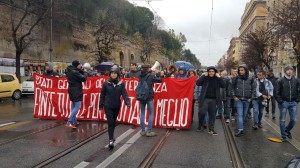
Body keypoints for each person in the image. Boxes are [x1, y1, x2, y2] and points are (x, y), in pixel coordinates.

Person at [99, 67, 131, 150]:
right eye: (112, 73)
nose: (113, 74)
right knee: (110, 122)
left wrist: (127, 103)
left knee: (114, 122)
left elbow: (124, 93)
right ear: (110, 74)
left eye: (115, 73)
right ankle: (110, 140)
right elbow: (102, 95)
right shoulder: (106, 83)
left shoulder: (121, 83)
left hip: (117, 105)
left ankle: (112, 136)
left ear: (117, 74)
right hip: (108, 105)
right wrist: (100, 106)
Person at [196, 66, 225, 135]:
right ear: (208, 72)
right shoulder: (205, 78)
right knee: (202, 112)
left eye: (213, 71)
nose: (211, 73)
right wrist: (203, 76)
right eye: (210, 71)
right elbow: (198, 83)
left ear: (215, 72)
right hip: (205, 98)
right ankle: (200, 124)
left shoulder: (217, 79)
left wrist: (219, 77)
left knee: (212, 115)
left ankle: (211, 129)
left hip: (214, 99)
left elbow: (223, 85)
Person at [275, 66, 300, 142]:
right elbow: (276, 92)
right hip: (284, 103)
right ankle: (283, 136)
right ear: (285, 71)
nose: (289, 71)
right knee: (282, 120)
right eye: (288, 70)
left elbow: (299, 91)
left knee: (294, 120)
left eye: (291, 70)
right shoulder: (280, 80)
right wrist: (281, 101)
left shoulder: (296, 80)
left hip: (293, 103)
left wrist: (297, 100)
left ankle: (286, 130)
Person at [138, 64, 162, 137]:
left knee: (142, 113)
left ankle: (142, 130)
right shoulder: (151, 76)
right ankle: (149, 131)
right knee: (151, 113)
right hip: (149, 97)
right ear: (148, 69)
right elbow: (160, 80)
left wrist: (150, 72)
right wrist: (157, 73)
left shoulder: (140, 75)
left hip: (141, 96)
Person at [231, 64, 254, 137]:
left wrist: (251, 97)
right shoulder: (236, 78)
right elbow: (232, 88)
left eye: (242, 70)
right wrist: (234, 96)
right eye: (239, 70)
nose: (240, 72)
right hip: (239, 99)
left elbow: (254, 89)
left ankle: (241, 124)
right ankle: (240, 129)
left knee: (244, 114)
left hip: (247, 100)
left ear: (246, 70)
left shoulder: (251, 79)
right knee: (240, 114)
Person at [65, 60, 88, 128]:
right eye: (79, 64)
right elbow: (83, 78)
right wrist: (85, 72)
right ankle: (69, 122)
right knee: (77, 107)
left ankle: (74, 121)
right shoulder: (74, 72)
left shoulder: (70, 70)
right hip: (76, 90)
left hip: (72, 90)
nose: (80, 65)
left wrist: (81, 71)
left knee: (73, 106)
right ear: (76, 65)